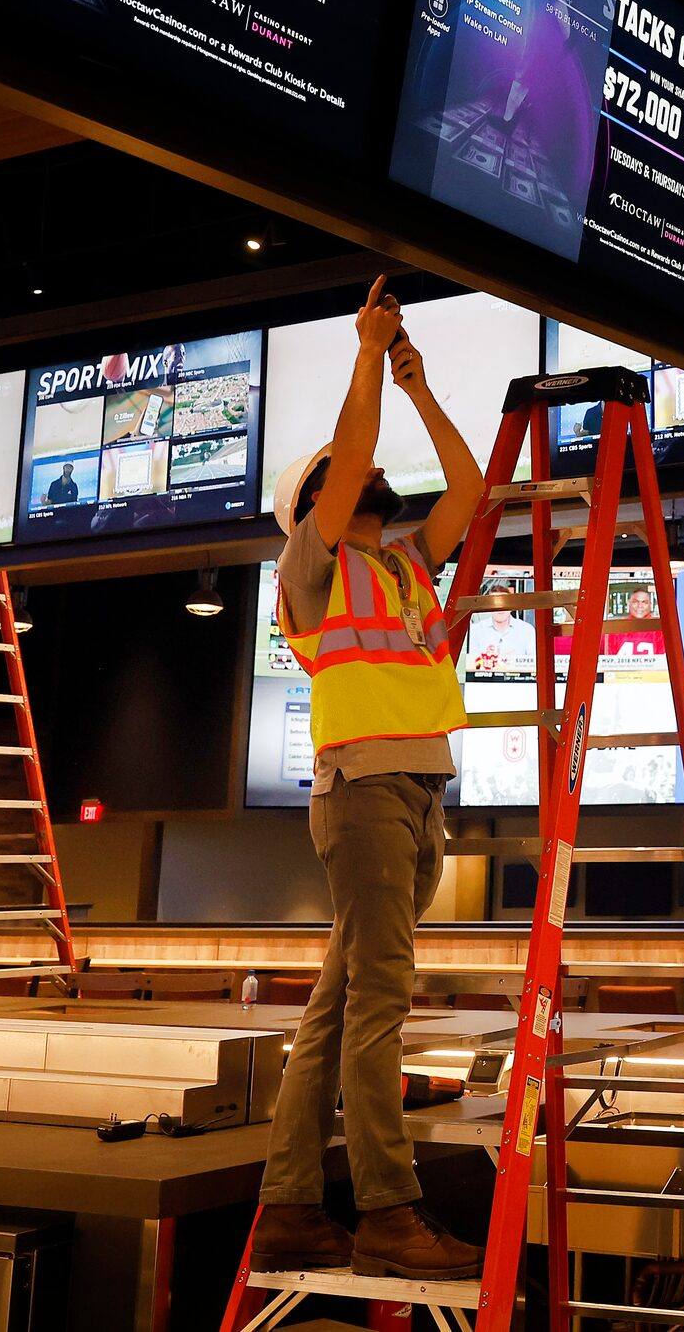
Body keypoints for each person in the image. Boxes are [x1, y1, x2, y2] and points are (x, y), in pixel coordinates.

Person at [251, 277, 487, 1281]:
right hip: (368, 794)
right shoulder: (307, 566)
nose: (379, 477)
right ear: (312, 504)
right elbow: (350, 458)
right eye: (354, 479)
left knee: (341, 1004)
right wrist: (364, 356)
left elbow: (472, 491)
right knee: (378, 998)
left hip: (419, 793)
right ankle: (389, 1211)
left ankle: (291, 1205)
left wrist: (421, 386)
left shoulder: (401, 568)